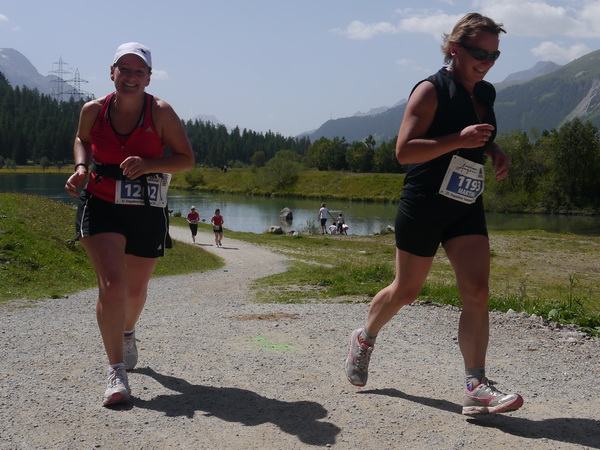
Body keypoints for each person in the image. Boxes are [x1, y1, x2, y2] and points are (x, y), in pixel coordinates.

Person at [345, 13, 523, 416]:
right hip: (424, 203)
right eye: (480, 53)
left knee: (477, 292)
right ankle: (365, 337)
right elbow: (404, 151)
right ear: (455, 49)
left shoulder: (485, 94)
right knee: (406, 291)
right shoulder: (430, 90)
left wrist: (494, 150)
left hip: (465, 204)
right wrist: (457, 140)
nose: (487, 62)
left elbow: (478, 138)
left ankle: (476, 386)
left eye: (494, 55)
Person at [64, 42, 195, 406]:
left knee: (134, 293)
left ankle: (127, 332)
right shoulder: (93, 110)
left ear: (149, 78)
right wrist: (81, 167)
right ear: (112, 73)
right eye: (124, 69)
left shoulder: (161, 112)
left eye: (139, 71)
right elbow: (82, 139)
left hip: (146, 207)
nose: (131, 76)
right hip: (101, 201)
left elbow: (185, 159)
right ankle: (116, 372)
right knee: (112, 285)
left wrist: (150, 164)